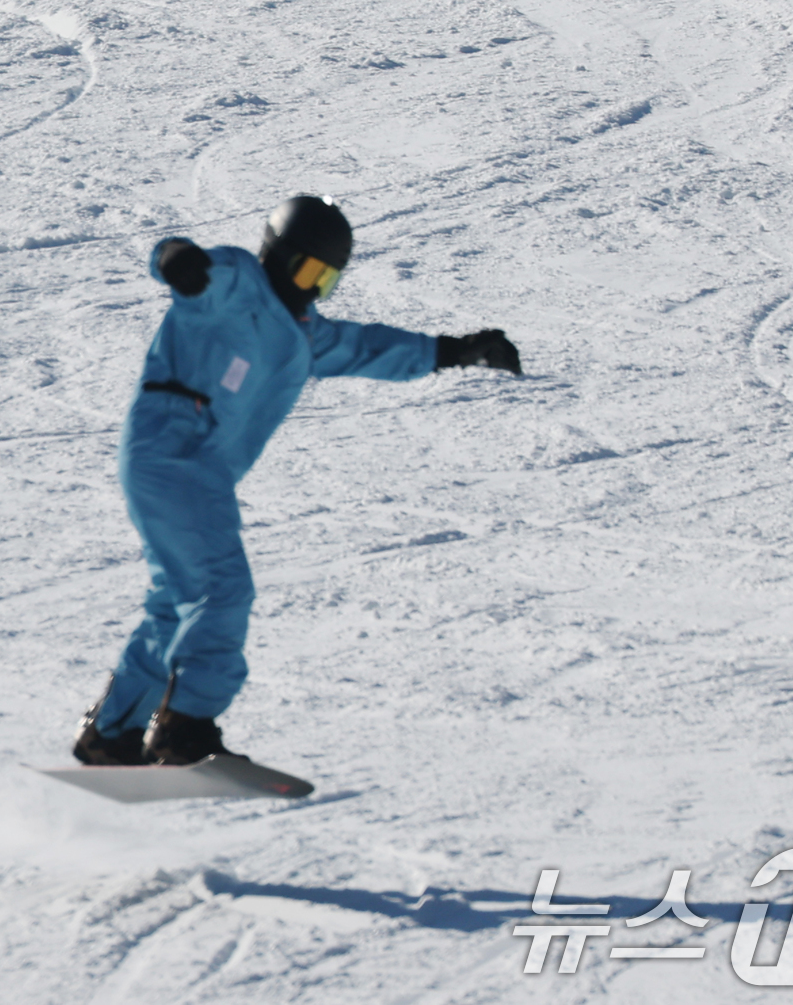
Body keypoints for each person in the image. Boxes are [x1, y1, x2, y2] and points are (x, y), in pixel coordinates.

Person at [74, 195, 522, 769]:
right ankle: (183, 727)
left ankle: (110, 734)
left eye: (325, 280)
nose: (311, 289)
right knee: (222, 588)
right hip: (171, 454)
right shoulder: (236, 281)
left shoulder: (302, 334)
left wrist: (453, 351)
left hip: (194, 471)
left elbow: (367, 347)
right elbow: (186, 264)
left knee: (177, 602)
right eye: (306, 271)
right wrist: (179, 260)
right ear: (277, 256)